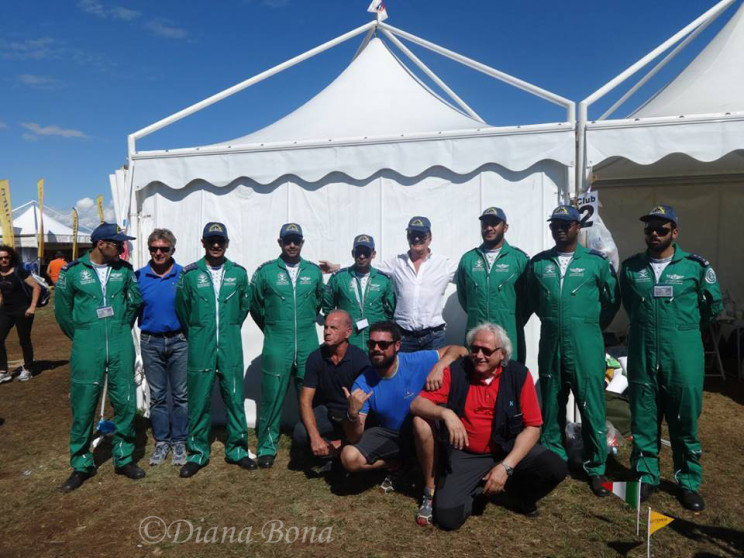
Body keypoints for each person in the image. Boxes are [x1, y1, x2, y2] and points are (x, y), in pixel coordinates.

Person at [410, 323, 567, 529]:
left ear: (502, 354)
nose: (479, 355)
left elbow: (533, 427)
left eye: (486, 350)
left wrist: (506, 466)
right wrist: (445, 413)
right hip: (467, 454)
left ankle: (521, 496)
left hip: (507, 448)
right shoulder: (457, 371)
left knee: (555, 467)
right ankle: (483, 490)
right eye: (474, 349)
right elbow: (416, 404)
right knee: (448, 518)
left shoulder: (518, 375)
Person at [620, 205, 722, 512]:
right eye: (650, 228)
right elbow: (628, 302)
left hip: (682, 354)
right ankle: (646, 475)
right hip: (642, 352)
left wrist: (682, 329)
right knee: (644, 417)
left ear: (674, 232)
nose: (654, 233)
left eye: (661, 229)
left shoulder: (695, 267)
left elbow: (712, 306)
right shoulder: (631, 268)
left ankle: (688, 482)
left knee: (684, 418)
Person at [524, 205, 620, 497]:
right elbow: (534, 300)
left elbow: (612, 300)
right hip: (552, 341)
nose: (560, 228)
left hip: (585, 343)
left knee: (590, 403)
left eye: (566, 224)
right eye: (555, 224)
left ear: (578, 227)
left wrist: (587, 323)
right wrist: (557, 321)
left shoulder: (596, 263)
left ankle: (596, 467)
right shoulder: (539, 264)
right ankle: (556, 458)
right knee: (552, 401)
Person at [340, 321, 468, 526]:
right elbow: (355, 436)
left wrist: (439, 366)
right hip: (391, 434)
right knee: (348, 457)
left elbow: (459, 350)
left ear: (397, 346)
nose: (376, 349)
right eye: (372, 344)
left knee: (420, 422)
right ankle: (400, 463)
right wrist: (353, 414)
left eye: (383, 345)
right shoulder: (363, 381)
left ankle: (429, 492)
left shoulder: (415, 360)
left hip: (422, 429)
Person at [54, 223, 144, 492]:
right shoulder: (72, 272)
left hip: (119, 341)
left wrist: (118, 327)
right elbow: (62, 312)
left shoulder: (125, 271)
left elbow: (134, 302)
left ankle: (124, 457)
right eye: (118, 244)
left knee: (126, 401)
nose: (122, 248)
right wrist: (84, 334)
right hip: (87, 344)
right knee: (83, 405)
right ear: (101, 244)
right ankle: (81, 463)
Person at [175, 222, 256, 477]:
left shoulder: (239, 274)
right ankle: (198, 452)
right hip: (201, 344)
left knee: (234, 397)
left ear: (227, 243)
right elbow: (182, 310)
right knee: (199, 399)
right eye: (211, 241)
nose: (216, 245)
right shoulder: (190, 275)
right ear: (203, 243)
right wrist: (199, 332)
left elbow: (243, 308)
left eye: (220, 240)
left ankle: (238, 450)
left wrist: (229, 329)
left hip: (230, 344)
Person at [321, 217, 457, 352]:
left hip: (433, 337)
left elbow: (466, 277)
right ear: (407, 237)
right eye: (412, 235)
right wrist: (336, 267)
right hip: (404, 337)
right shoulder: (396, 263)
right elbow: (367, 264)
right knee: (402, 373)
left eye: (421, 235)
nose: (416, 239)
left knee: (434, 373)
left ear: (430, 237)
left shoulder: (444, 264)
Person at [251, 223, 324, 468]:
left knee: (311, 394)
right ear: (280, 242)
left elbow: (318, 303)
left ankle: (313, 444)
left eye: (296, 240)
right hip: (277, 340)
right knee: (271, 396)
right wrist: (274, 327)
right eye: (287, 240)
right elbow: (255, 305)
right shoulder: (266, 272)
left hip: (307, 340)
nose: (292, 245)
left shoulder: (313, 272)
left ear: (302, 242)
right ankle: (266, 447)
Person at [135, 229, 188, 467]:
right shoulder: (138, 277)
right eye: (154, 248)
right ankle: (162, 441)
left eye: (163, 249)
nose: (158, 253)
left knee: (181, 395)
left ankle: (180, 440)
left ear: (172, 250)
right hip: (150, 341)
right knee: (156, 396)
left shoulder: (185, 275)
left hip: (179, 340)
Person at [292, 310, 370, 469]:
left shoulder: (360, 359)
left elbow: (367, 404)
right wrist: (315, 438)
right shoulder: (315, 357)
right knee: (300, 433)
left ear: (348, 332)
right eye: (326, 327)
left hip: (353, 416)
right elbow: (305, 400)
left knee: (362, 437)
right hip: (329, 412)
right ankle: (328, 453)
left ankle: (338, 453)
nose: (327, 332)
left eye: (333, 328)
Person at [456, 207, 529, 363]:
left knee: (509, 380)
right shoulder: (468, 260)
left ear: (505, 227)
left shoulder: (519, 259)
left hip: (508, 335)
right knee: (476, 383)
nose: (489, 228)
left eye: (494, 223)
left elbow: (529, 300)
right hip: (477, 338)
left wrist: (509, 318)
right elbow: (463, 297)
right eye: (485, 224)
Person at [322, 234, 395, 349]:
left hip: (374, 343)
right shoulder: (339, 278)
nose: (361, 256)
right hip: (347, 341)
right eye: (358, 252)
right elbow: (327, 307)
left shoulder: (383, 280)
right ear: (352, 253)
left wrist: (377, 323)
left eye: (366, 252)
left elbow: (390, 311)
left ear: (373, 254)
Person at [0, 245, 41, 383]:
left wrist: (32, 307)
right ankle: (3, 371)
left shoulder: (19, 271)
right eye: (1, 258)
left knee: (24, 340)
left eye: (6, 257)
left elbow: (36, 287)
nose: (4, 260)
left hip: (23, 310)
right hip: (5, 311)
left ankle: (28, 369)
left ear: (11, 257)